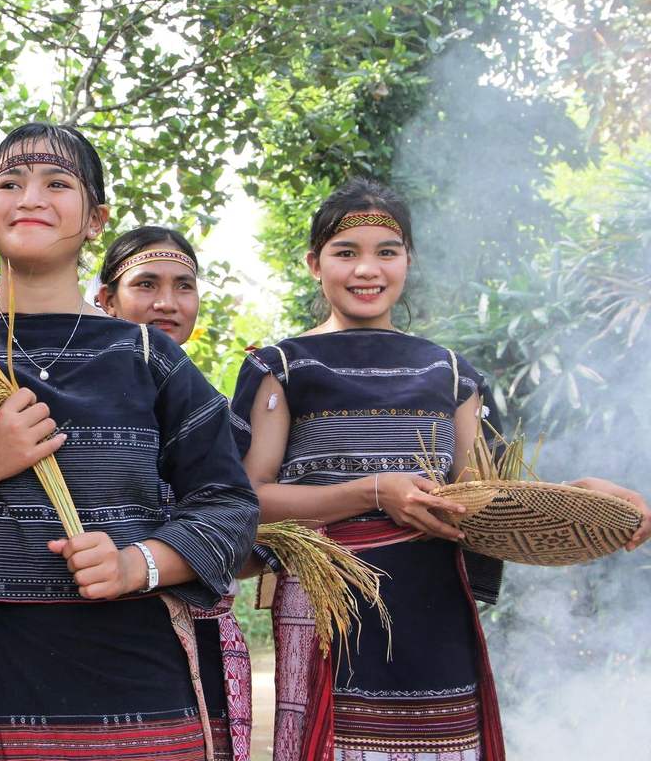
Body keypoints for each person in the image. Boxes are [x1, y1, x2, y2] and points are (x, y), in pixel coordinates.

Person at [229, 178, 651, 761]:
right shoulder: (281, 365)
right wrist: (375, 490)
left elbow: (486, 498)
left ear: (409, 261)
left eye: (387, 251)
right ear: (313, 264)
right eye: (345, 252)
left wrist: (581, 495)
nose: (366, 269)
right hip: (331, 599)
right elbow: (247, 498)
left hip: (433, 599)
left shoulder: (452, 373)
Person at [0, 123, 259, 760]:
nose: (30, 197)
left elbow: (229, 506)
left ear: (95, 219)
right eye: (9, 183)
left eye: (57, 183)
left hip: (142, 681)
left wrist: (135, 564)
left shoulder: (148, 356)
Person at [97, 225, 260, 761]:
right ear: (107, 301)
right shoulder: (83, 402)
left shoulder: (219, 411)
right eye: (146, 285)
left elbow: (242, 517)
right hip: (104, 633)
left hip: (206, 637)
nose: (167, 303)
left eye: (183, 286)